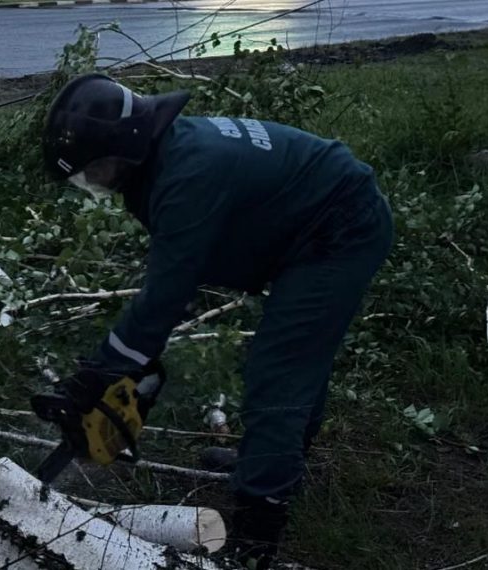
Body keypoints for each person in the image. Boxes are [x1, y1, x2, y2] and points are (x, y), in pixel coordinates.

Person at [41, 73, 394, 568]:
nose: (95, 183)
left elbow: (165, 295)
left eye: (93, 171)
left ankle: (259, 522)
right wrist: (122, 355)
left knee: (281, 367)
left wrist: (103, 369)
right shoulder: (168, 155)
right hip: (312, 221)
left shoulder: (187, 174)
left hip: (341, 228)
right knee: (295, 360)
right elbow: (178, 267)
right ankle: (272, 462)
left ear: (125, 145)